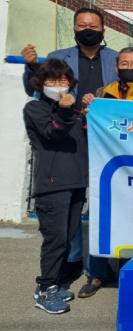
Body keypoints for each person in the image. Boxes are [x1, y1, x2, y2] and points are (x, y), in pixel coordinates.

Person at [21, 7, 117, 283]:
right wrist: (31, 66)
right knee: (70, 200)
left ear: (103, 29)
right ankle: (72, 260)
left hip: (105, 136)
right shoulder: (58, 57)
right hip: (67, 132)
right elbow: (35, 89)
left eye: (93, 25)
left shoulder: (115, 58)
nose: (88, 29)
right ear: (74, 28)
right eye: (82, 25)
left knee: (102, 200)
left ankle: (100, 266)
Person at [76, 47, 133, 298]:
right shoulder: (101, 95)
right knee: (101, 216)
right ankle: (97, 273)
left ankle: (127, 272)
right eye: (124, 63)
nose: (130, 68)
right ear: (116, 67)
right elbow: (88, 126)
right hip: (106, 167)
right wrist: (87, 111)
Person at [24, 59, 88, 314]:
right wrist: (64, 110)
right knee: (55, 240)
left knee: (68, 238)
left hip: (76, 183)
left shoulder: (74, 112)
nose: (59, 85)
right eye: (52, 80)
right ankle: (45, 288)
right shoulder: (35, 108)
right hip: (52, 186)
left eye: (63, 80)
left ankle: (57, 283)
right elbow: (52, 133)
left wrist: (87, 112)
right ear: (41, 83)